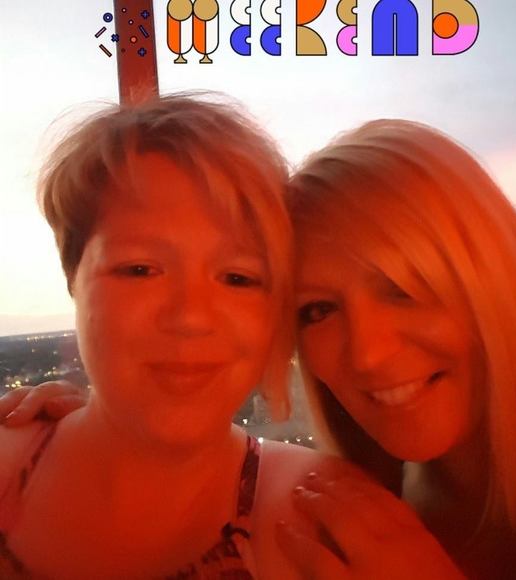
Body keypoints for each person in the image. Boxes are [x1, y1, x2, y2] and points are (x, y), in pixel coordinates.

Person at [0, 92, 339, 579]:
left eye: (237, 278)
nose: (190, 317)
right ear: (74, 278)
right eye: (140, 269)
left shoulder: (327, 524)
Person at [281, 119, 516, 578]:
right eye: (319, 310)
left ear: (499, 279)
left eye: (404, 286)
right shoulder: (362, 519)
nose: (367, 355)